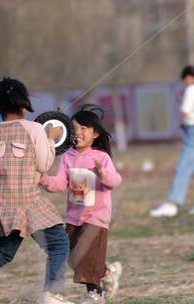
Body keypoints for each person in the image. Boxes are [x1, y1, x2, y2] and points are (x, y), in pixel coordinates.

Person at [0, 77, 73, 304]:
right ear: (25, 103)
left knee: (3, 253)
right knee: (59, 244)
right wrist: (51, 139)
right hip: (29, 202)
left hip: (1, 205)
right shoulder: (36, 129)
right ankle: (52, 294)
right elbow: (44, 164)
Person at [40, 104, 123, 303]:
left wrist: (103, 173)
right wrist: (42, 179)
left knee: (87, 256)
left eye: (84, 129)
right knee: (71, 258)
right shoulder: (68, 156)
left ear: (95, 134)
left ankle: (95, 294)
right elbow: (60, 183)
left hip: (96, 217)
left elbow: (115, 181)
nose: (78, 133)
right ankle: (107, 272)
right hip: (73, 217)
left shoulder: (101, 157)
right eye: (75, 129)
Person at [150, 66, 194, 217]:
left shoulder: (191, 90)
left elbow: (185, 112)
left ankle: (172, 203)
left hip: (193, 131)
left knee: (184, 166)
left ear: (188, 77)